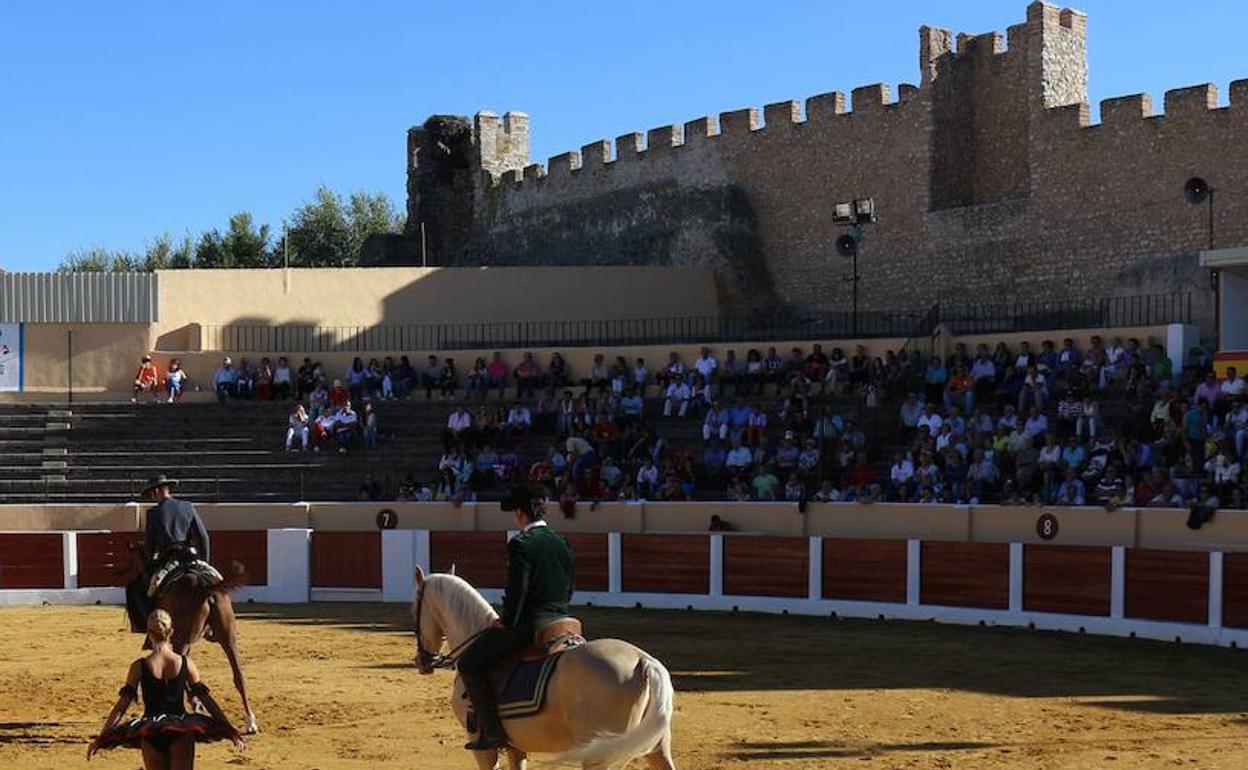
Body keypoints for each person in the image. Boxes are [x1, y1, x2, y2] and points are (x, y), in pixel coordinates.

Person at [456, 485, 575, 751]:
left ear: (521, 513)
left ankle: (492, 732)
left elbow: (517, 591)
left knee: (470, 664)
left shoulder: (521, 544)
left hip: (531, 626)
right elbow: (569, 589)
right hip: (562, 621)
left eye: (514, 513)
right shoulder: (561, 541)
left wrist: (506, 621)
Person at [88, 609, 244, 766]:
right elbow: (207, 700)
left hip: (150, 732)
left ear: (148, 633)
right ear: (171, 632)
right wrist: (229, 729)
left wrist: (102, 737)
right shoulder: (185, 663)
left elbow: (121, 707)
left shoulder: (138, 667)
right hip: (181, 731)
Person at [125, 476, 212, 634]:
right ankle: (211, 623)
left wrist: (150, 562)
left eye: (152, 494)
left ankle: (152, 628)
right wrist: (204, 562)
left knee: (137, 588)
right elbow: (203, 537)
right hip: (192, 558)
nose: (152, 498)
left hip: (168, 559)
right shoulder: (188, 506)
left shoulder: (155, 513)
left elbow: (150, 544)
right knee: (214, 585)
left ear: (157, 491)